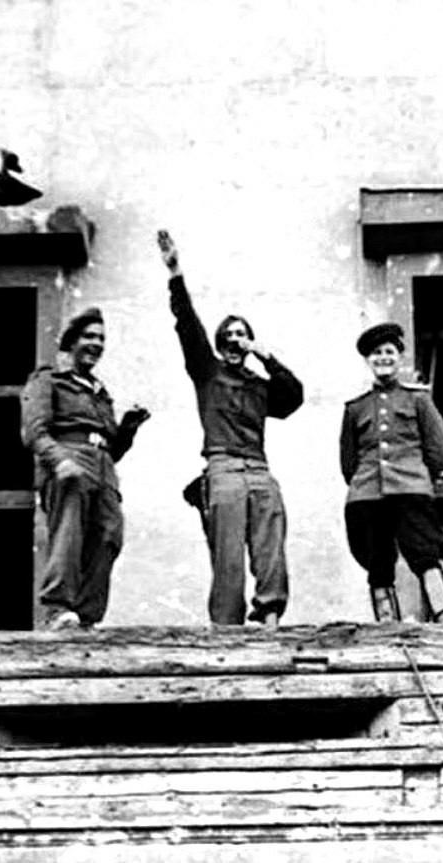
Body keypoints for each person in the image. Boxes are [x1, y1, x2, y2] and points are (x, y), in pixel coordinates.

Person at [157, 230, 304, 627]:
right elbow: (188, 326)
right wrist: (176, 274)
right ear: (221, 343)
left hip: (258, 468)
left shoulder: (260, 386)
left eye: (242, 334)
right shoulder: (208, 372)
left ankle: (270, 614)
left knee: (270, 541)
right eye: (230, 335)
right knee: (226, 553)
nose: (236, 340)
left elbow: (293, 399)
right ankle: (227, 626)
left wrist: (267, 356)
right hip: (223, 469)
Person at [21, 308, 150, 629]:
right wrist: (59, 459)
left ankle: (86, 617)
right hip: (70, 456)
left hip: (103, 464)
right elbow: (33, 430)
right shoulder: (48, 380)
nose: (97, 344)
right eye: (89, 336)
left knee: (109, 534)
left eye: (101, 339)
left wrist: (128, 428)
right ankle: (57, 608)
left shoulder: (100, 392)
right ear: (71, 342)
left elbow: (113, 449)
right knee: (69, 531)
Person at [339, 322, 443, 624]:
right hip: (367, 492)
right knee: (377, 560)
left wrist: (419, 478)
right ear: (368, 361)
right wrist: (363, 485)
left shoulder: (418, 399)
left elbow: (437, 451)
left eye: (389, 352)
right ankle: (387, 624)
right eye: (376, 354)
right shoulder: (355, 408)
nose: (383, 358)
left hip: (411, 489)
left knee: (424, 551)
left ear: (399, 357)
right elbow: (348, 460)